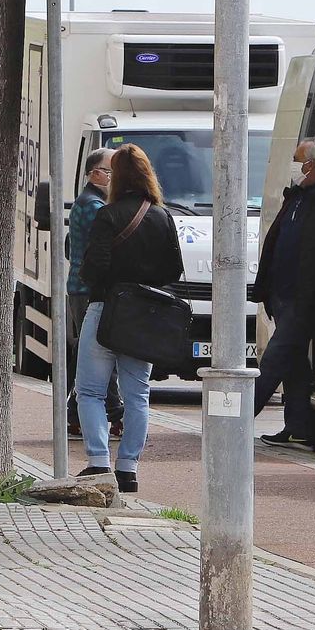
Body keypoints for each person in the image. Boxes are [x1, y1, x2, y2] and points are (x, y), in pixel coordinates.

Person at [73, 144, 185, 493]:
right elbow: (174, 269)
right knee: (137, 395)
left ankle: (98, 462)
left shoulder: (108, 215)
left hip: (106, 309)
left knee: (90, 391)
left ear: (117, 177)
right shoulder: (162, 216)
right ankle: (129, 469)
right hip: (143, 317)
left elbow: (92, 269)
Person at [252, 138, 315, 447]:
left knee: (274, 359)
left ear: (310, 165)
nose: (292, 164)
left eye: (296, 159)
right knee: (296, 365)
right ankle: (299, 428)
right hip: (282, 297)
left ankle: (236, 418)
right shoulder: (297, 196)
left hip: (304, 302)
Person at [66, 148, 123, 439]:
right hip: (88, 290)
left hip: (80, 287)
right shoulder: (94, 206)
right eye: (110, 170)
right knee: (99, 352)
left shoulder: (89, 202)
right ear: (94, 173)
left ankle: (75, 415)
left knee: (87, 353)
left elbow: (69, 245)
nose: (114, 177)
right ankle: (116, 414)